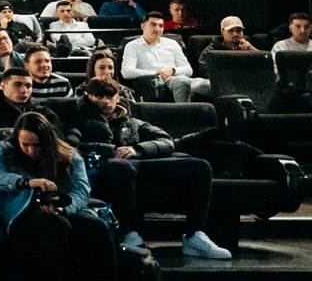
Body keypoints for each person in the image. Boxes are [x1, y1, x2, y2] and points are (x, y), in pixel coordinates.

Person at [0, 111, 123, 281]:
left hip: (62, 210)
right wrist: (24, 182)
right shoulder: (3, 150)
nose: (31, 150)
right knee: (56, 227)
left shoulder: (67, 154)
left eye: (37, 145)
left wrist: (65, 208)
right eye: (25, 144)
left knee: (97, 226)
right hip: (22, 212)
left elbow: (82, 190)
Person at [67, 79, 231, 258]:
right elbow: (70, 146)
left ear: (117, 97)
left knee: (200, 166)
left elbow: (166, 141)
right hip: (106, 167)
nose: (105, 101)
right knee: (118, 166)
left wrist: (138, 149)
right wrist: (110, 150)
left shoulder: (132, 122)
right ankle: (130, 233)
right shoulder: (79, 119)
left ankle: (194, 235)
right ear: (90, 96)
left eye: (109, 96)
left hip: (138, 162)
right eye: (99, 96)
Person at [120, 13, 203, 102]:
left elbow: (188, 70)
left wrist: (172, 71)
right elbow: (126, 72)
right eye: (153, 25)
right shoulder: (132, 46)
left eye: (161, 26)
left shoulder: (172, 43)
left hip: (177, 77)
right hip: (154, 83)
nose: (157, 29)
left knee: (211, 84)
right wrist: (156, 73)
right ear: (143, 26)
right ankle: (185, 114)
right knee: (182, 81)